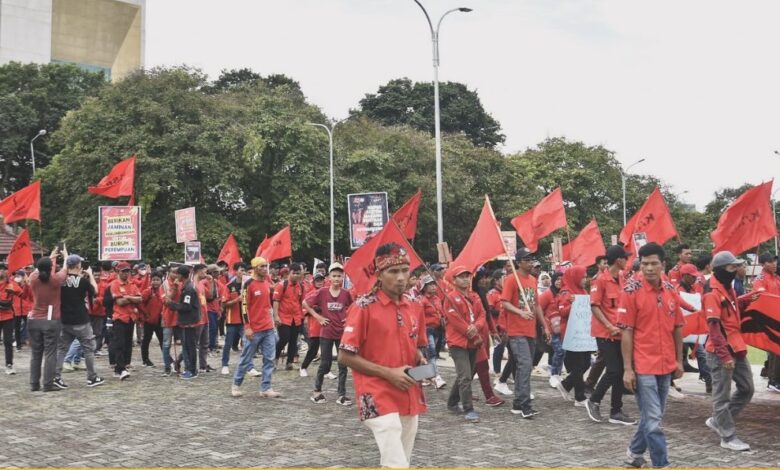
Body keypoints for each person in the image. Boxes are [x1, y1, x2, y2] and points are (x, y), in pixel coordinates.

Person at [338, 243, 428, 468]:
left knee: (400, 459)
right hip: (375, 392)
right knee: (397, 460)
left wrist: (420, 360)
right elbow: (345, 356)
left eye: (405, 270)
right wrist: (389, 373)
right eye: (393, 271)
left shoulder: (415, 305)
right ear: (379, 274)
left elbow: (416, 343)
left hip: (407, 389)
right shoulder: (363, 307)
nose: (401, 277)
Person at [619, 242, 685, 469]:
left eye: (653, 263)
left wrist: (680, 360)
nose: (648, 268)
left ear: (663, 265)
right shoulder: (630, 291)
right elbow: (626, 331)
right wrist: (628, 368)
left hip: (666, 364)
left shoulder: (671, 291)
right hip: (642, 365)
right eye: (644, 263)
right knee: (655, 420)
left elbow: (677, 327)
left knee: (652, 416)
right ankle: (661, 464)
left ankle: (634, 452)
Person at [703, 251, 754, 451]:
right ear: (721, 270)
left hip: (737, 347)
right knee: (721, 396)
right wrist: (724, 355)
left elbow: (731, 311)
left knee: (747, 388)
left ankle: (719, 421)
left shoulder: (728, 288)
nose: (736, 270)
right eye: (732, 267)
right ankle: (727, 436)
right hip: (720, 351)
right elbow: (714, 327)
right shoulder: (711, 293)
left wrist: (745, 300)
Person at [585, 245, 636, 425]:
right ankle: (594, 400)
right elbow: (594, 306)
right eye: (625, 258)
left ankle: (616, 411)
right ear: (618, 260)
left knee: (621, 371)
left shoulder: (623, 278)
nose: (627, 260)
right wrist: (608, 325)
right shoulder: (600, 280)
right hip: (604, 333)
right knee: (613, 370)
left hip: (621, 333)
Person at [501, 248, 550, 418]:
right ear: (519, 262)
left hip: (531, 330)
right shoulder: (511, 280)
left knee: (526, 367)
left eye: (532, 259)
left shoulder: (532, 280)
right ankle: (524, 404)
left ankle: (517, 403)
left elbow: (536, 305)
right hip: (516, 330)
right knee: (525, 365)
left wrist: (545, 326)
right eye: (527, 260)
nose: (530, 262)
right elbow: (505, 303)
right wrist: (520, 312)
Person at [305, 262, 353, 405]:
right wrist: (318, 317)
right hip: (326, 332)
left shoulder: (346, 293)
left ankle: (341, 395)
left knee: (343, 364)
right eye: (334, 276)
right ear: (329, 277)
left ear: (343, 277)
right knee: (325, 364)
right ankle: (317, 391)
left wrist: (348, 318)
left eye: (339, 275)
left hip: (341, 333)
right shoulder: (322, 292)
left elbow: (353, 308)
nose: (337, 278)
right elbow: (305, 303)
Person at [52, 254, 103, 389]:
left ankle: (56, 377)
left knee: (62, 349)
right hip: (81, 320)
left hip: (65, 319)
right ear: (78, 265)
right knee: (88, 349)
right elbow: (95, 291)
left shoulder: (60, 281)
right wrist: (91, 275)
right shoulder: (83, 281)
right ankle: (92, 378)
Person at [444, 265, 488, 422]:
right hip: (458, 342)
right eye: (461, 276)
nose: (465, 279)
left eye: (467, 276)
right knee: (465, 376)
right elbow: (453, 319)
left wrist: (475, 327)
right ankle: (468, 408)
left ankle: (452, 402)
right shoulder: (450, 297)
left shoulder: (475, 296)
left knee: (465, 374)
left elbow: (482, 314)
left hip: (473, 341)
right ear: (454, 280)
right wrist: (468, 329)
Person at [231, 257, 280, 398]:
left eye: (266, 266)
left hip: (268, 327)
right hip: (254, 329)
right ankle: (236, 384)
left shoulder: (266, 282)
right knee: (246, 358)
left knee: (269, 359)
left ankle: (266, 387)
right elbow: (244, 307)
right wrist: (247, 327)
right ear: (255, 268)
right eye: (262, 266)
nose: (265, 269)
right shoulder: (248, 284)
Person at [28, 248, 68, 392]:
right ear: (51, 268)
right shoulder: (55, 280)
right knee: (50, 353)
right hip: (51, 320)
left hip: (34, 319)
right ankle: (48, 384)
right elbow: (65, 269)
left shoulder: (32, 278)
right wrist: (65, 255)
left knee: (36, 353)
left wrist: (51, 257)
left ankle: (34, 384)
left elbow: (41, 270)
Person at [553, 266, 593, 407]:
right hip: (572, 335)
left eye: (586, 276)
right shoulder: (566, 292)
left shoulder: (583, 291)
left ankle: (565, 384)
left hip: (583, 335)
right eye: (583, 276)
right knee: (577, 365)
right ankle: (579, 397)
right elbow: (562, 312)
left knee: (586, 363)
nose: (585, 279)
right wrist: (574, 302)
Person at [165, 265, 202, 379]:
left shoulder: (188, 289)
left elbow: (186, 307)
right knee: (187, 346)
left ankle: (192, 370)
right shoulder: (185, 287)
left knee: (189, 347)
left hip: (189, 322)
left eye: (177, 274)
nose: (176, 276)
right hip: (186, 321)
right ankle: (190, 369)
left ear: (181, 275)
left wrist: (171, 304)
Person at [109, 262, 143, 380]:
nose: (126, 273)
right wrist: (131, 298)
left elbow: (140, 299)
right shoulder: (114, 284)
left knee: (128, 343)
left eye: (127, 271)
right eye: (123, 271)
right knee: (119, 344)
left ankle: (121, 368)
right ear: (118, 271)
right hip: (119, 317)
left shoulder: (132, 284)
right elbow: (119, 302)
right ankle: (121, 368)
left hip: (131, 317)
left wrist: (127, 297)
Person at [273, 262, 305, 371]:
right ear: (289, 273)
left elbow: (301, 302)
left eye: (298, 273)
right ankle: (274, 359)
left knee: (293, 340)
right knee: (284, 339)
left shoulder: (301, 286)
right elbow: (276, 301)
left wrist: (302, 316)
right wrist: (276, 316)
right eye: (294, 273)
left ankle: (289, 362)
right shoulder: (282, 285)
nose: (296, 275)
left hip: (296, 318)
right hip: (283, 317)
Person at [419, 275, 446, 389]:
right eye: (430, 285)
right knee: (432, 353)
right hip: (426, 329)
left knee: (427, 354)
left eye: (434, 284)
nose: (434, 287)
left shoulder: (437, 299)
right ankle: (436, 377)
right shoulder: (421, 300)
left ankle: (422, 377)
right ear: (424, 287)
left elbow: (441, 312)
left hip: (438, 329)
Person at [221, 262, 246, 375]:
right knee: (228, 343)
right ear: (235, 271)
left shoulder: (248, 286)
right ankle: (225, 365)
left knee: (247, 343)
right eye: (241, 270)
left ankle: (248, 366)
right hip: (232, 320)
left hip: (245, 320)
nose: (243, 272)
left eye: (244, 270)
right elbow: (224, 304)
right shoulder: (229, 286)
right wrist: (237, 300)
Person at [539, 272, 563, 388]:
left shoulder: (565, 293)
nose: (559, 281)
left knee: (561, 352)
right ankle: (554, 374)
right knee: (559, 351)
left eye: (561, 279)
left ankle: (557, 373)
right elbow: (539, 310)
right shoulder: (547, 294)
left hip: (562, 329)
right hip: (550, 329)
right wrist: (545, 327)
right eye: (557, 279)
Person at [299, 273, 326, 376]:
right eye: (317, 280)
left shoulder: (327, 292)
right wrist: (312, 310)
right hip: (314, 324)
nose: (319, 282)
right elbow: (305, 306)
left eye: (321, 280)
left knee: (326, 349)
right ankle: (303, 367)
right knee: (313, 350)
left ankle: (326, 370)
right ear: (314, 281)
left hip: (326, 324)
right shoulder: (310, 293)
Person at [0, 263, 22, 374]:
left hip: (8, 316)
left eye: (3, 269)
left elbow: (22, 294)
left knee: (8, 341)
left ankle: (9, 365)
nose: (1, 271)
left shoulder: (11, 284)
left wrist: (25, 284)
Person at [140, 270, 165, 367]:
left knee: (163, 341)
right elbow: (140, 303)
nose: (155, 282)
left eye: (157, 280)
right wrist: (145, 314)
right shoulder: (147, 292)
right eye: (153, 280)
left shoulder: (163, 291)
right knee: (146, 340)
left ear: (161, 280)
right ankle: (145, 360)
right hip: (148, 321)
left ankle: (166, 359)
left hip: (160, 321)